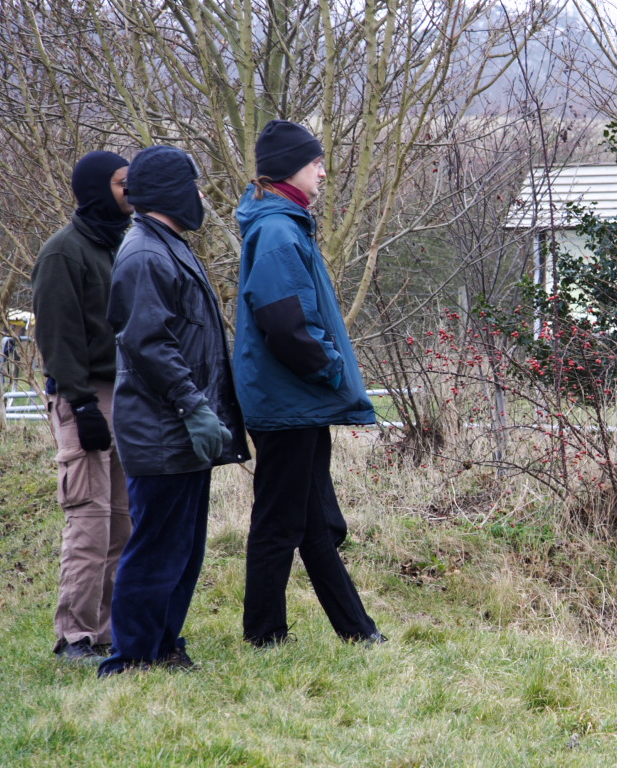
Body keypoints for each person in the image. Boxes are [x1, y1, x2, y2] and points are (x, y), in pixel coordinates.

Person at [99, 145, 249, 676]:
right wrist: (193, 407)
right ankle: (132, 657)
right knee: (156, 549)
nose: (201, 195)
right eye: (193, 185)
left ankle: (163, 645)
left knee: (182, 549)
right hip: (162, 428)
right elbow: (149, 343)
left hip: (180, 430)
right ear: (170, 192)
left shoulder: (167, 246)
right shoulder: (144, 254)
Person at [234, 119, 384, 647]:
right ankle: (264, 635)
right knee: (279, 521)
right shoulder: (278, 232)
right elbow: (287, 324)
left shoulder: (286, 226)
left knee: (315, 521)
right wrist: (332, 370)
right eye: (315, 162)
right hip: (288, 401)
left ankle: (357, 631)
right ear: (289, 169)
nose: (323, 172)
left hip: (297, 400)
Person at [31, 151, 134, 664]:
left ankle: (108, 631)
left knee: (121, 522)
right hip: (85, 397)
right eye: (121, 183)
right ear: (96, 188)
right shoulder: (63, 253)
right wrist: (81, 404)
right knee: (89, 521)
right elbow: (58, 336)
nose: (130, 191)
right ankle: (74, 636)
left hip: (126, 396)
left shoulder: (124, 245)